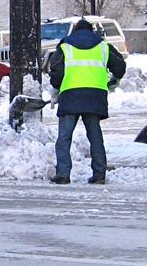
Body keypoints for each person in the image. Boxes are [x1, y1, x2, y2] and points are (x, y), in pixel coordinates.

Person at [47, 19, 126, 185]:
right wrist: (114, 80)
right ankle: (99, 173)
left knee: (64, 137)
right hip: (95, 96)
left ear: (75, 31)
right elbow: (119, 66)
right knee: (95, 136)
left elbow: (56, 70)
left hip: (70, 95)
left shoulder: (65, 46)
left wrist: (56, 89)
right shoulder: (103, 46)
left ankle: (63, 174)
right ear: (92, 31)